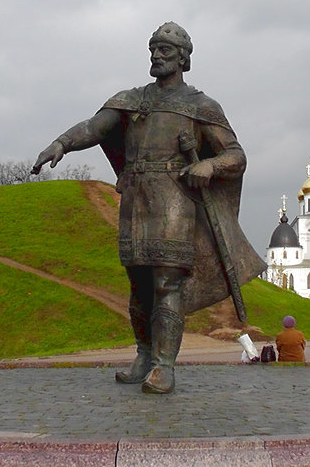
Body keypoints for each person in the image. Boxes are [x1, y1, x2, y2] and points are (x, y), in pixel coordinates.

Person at [32, 22, 265, 394]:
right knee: (138, 286)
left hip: (175, 200)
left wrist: (209, 165)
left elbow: (235, 155)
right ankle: (143, 354)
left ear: (184, 58)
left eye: (166, 51)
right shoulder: (132, 99)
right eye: (153, 49)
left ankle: (165, 365)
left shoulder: (200, 106)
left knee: (166, 281)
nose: (157, 56)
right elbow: (95, 128)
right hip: (137, 199)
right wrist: (61, 143)